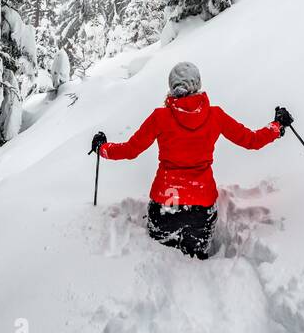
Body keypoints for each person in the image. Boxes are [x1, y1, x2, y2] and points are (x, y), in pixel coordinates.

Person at [89, 61, 293, 259]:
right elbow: (252, 140)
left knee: (162, 256)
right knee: (194, 255)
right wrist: (277, 126)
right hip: (201, 210)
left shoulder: (160, 117)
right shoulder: (215, 116)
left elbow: (130, 150)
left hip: (166, 204)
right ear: (198, 84)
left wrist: (102, 149)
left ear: (172, 87)